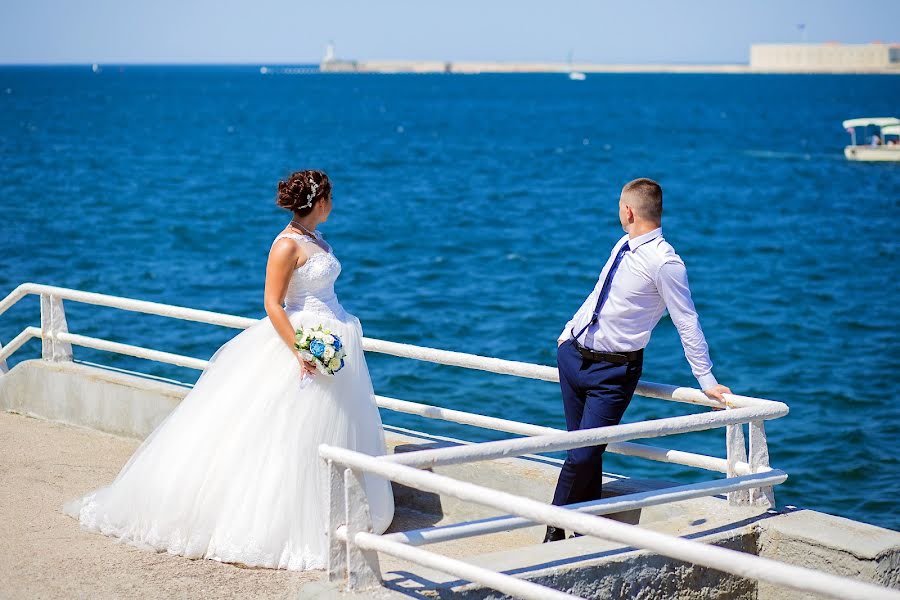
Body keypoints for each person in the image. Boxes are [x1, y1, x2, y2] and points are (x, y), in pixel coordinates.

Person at [64, 169, 394, 570]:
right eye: (330, 197)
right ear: (317, 201)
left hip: (333, 334)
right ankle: (289, 520)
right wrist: (300, 350)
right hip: (302, 337)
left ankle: (343, 510)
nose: (333, 203)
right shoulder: (286, 245)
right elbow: (273, 303)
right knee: (288, 433)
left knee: (330, 425)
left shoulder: (315, 239)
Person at [544, 178, 730, 543]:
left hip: (612, 372)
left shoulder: (665, 263)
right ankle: (583, 527)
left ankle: (553, 528)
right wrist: (569, 332)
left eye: (618, 206)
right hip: (574, 358)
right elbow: (600, 293)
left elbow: (686, 320)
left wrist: (705, 379)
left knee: (581, 456)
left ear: (628, 210)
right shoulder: (622, 245)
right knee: (585, 453)